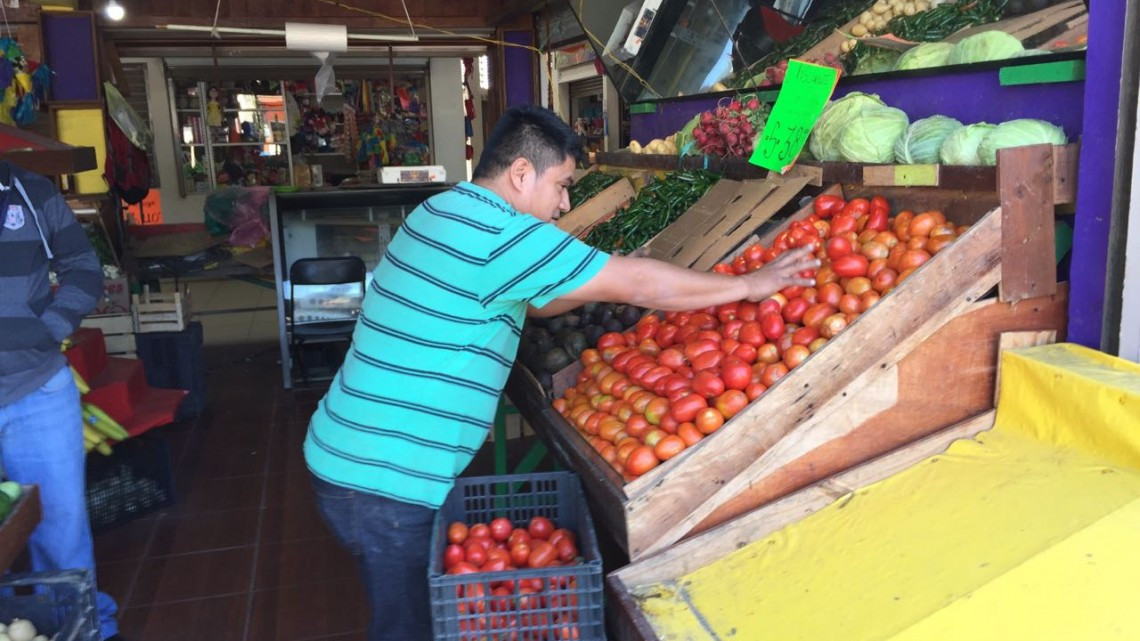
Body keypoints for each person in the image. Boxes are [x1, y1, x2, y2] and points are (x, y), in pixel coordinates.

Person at [303, 105, 819, 640]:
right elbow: (640, 287)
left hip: (352, 454)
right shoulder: (502, 235)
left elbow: (535, 300)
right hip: (384, 480)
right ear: (522, 173)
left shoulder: (442, 209)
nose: (565, 203)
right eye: (562, 185)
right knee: (407, 628)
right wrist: (748, 287)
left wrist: (599, 279)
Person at [0, 161, 124, 641]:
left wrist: (50, 328)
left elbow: (82, 266)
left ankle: (87, 629)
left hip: (38, 392)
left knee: (61, 533)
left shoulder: (30, 192)